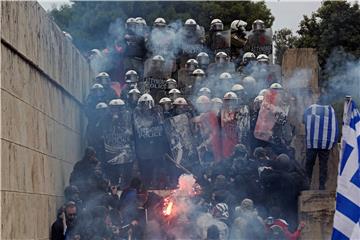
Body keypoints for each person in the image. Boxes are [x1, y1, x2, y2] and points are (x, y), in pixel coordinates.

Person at [303, 103, 338, 190]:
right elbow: (334, 127)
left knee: (309, 164)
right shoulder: (331, 110)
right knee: (323, 165)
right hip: (325, 142)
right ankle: (322, 186)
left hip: (312, 141)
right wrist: (333, 142)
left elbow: (304, 120)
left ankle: (306, 185)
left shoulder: (310, 108)